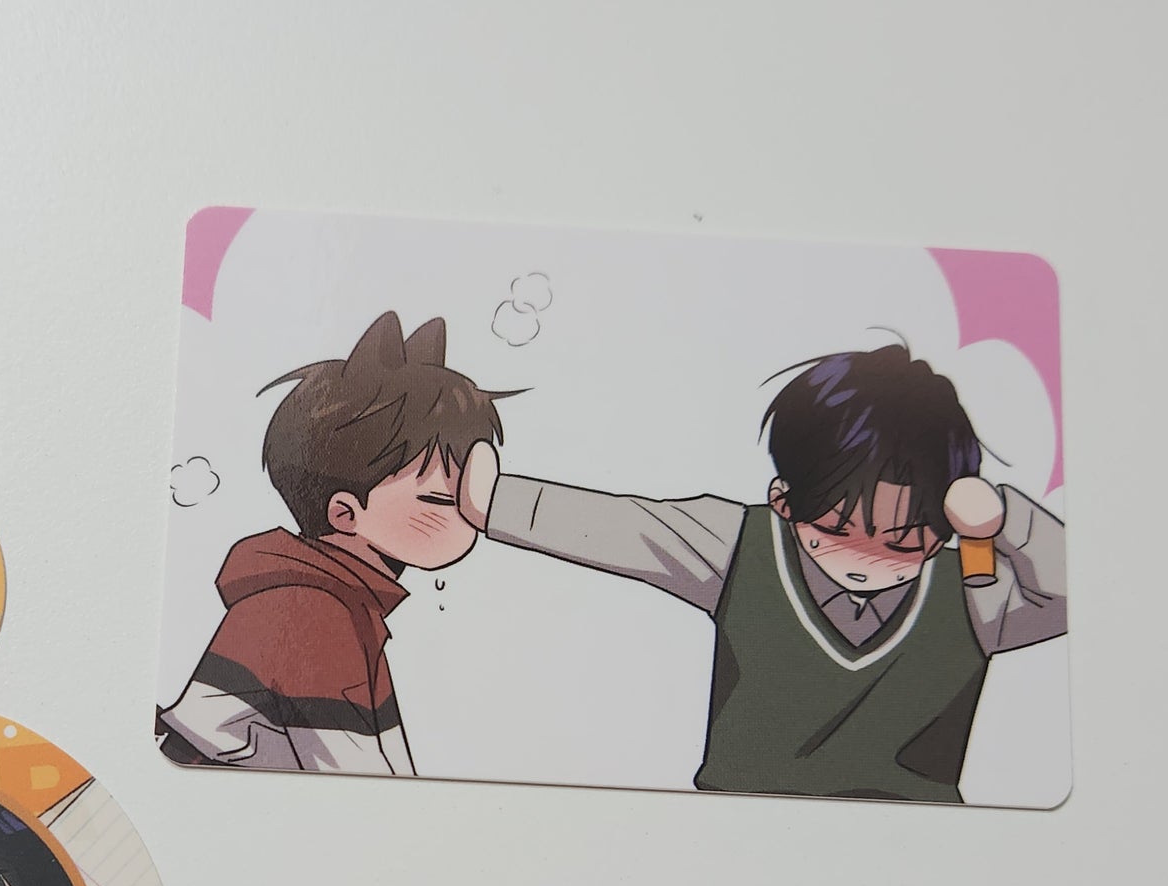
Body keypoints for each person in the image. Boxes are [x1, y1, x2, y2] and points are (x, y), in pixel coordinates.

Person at [457, 343, 1067, 803]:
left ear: (947, 526)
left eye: (904, 543)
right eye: (834, 531)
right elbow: (631, 527)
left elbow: (1072, 594)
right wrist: (499, 503)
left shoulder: (975, 592)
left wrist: (1006, 517)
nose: (866, 561)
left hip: (918, 845)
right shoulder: (741, 546)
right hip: (737, 827)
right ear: (783, 501)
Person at [158, 310, 519, 776]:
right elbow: (361, 782)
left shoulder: (339, 601)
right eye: (439, 499)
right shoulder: (313, 612)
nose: (470, 511)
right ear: (345, 514)